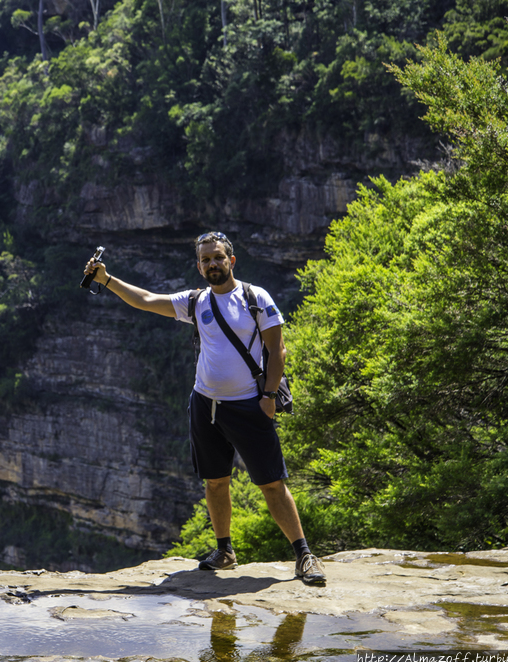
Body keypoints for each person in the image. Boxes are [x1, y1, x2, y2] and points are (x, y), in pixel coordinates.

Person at [83, 232, 326, 585]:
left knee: (272, 482)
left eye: (218, 257)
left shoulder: (255, 298)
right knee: (215, 482)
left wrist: (269, 396)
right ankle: (225, 550)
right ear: (199, 266)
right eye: (206, 260)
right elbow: (147, 299)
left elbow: (278, 351)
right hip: (205, 405)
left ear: (231, 260)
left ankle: (304, 554)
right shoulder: (196, 301)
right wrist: (105, 279)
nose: (212, 264)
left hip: (248, 405)